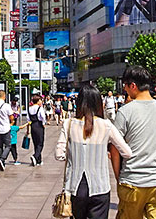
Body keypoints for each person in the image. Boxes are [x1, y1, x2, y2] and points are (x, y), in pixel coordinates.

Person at [110, 66, 156, 219]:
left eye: (125, 86)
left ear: (132, 85)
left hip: (132, 182)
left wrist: (118, 176)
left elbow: (114, 149)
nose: (125, 90)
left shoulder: (124, 112)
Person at [56, 84, 132, 219]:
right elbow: (127, 152)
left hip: (75, 187)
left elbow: (59, 154)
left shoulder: (69, 124)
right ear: (98, 103)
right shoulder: (106, 125)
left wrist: (73, 155)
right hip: (100, 186)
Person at [27, 94, 46, 166]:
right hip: (39, 125)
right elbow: (43, 117)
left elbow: (28, 119)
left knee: (35, 143)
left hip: (33, 125)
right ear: (38, 101)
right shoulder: (40, 108)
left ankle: (38, 160)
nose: (41, 101)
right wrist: (44, 123)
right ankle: (35, 156)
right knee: (40, 143)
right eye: (40, 100)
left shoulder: (29, 108)